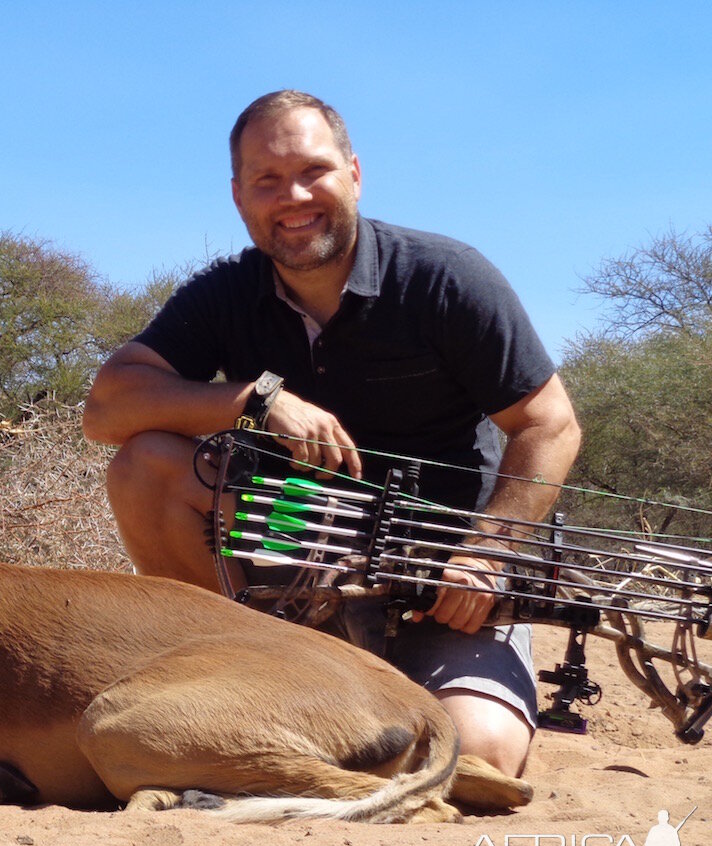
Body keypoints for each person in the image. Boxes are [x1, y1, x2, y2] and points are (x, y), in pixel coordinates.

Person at [83, 90, 582, 777]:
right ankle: (229, 661)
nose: (292, 196)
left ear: (354, 172)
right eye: (267, 180)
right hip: (295, 536)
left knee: (476, 756)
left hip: (440, 572)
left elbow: (548, 424)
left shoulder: (445, 277)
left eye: (314, 171)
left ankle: (367, 688)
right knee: (147, 463)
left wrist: (486, 554)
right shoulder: (226, 292)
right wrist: (256, 400)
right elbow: (106, 411)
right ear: (238, 196)